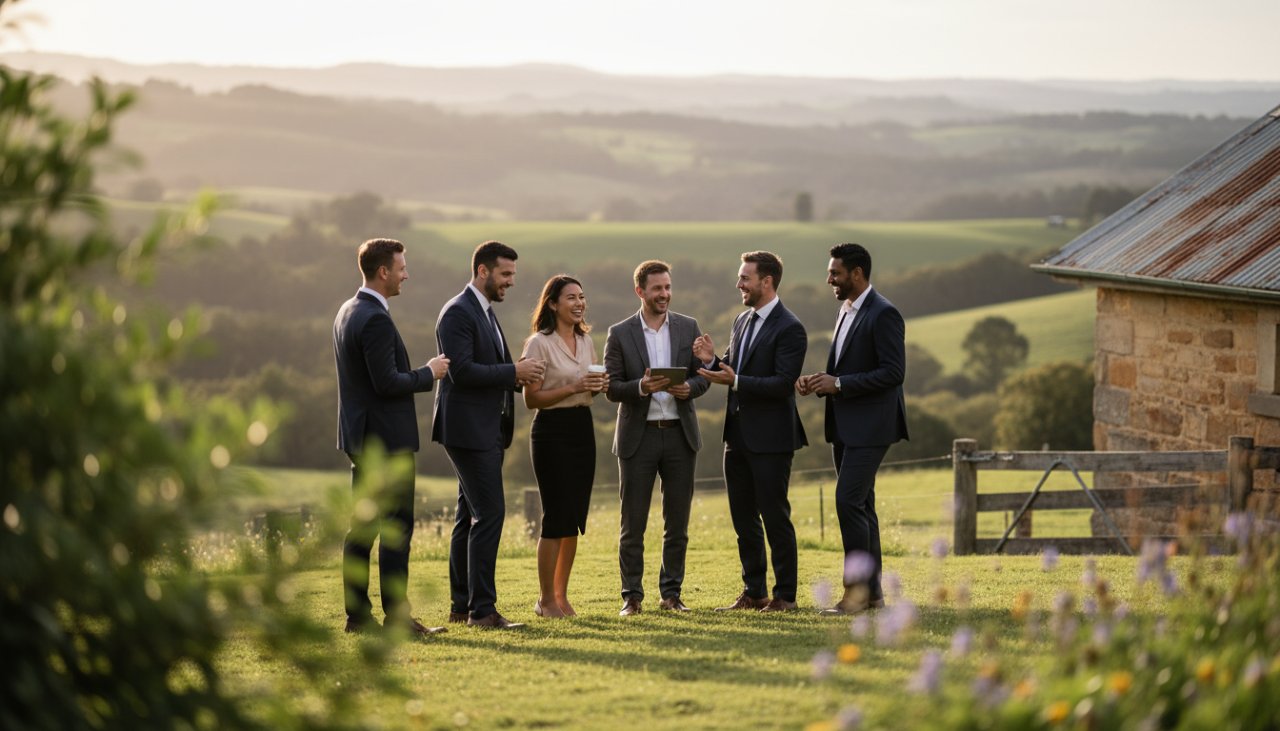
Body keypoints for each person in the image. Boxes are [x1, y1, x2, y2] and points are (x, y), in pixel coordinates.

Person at [333, 237, 450, 638]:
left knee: (362, 528)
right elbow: (387, 383)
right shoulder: (376, 318)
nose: (406, 274)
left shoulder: (347, 311)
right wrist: (428, 372)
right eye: (402, 268)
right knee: (396, 528)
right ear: (383, 272)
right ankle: (397, 618)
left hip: (359, 437)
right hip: (385, 441)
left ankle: (357, 617)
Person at [433, 240, 545, 630]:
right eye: (506, 274)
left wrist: (521, 375)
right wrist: (514, 372)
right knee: (490, 513)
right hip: (467, 429)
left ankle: (461, 606)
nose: (511, 282)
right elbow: (462, 371)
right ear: (483, 271)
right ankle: (483, 611)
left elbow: (490, 367)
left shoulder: (483, 311)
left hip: (486, 428)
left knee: (468, 516)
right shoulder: (457, 312)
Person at [797, 243, 909, 614]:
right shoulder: (845, 311)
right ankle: (874, 595)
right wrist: (821, 381)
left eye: (835, 273)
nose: (829, 279)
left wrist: (840, 384)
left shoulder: (884, 313)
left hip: (872, 427)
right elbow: (846, 366)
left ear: (857, 274)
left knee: (847, 501)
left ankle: (856, 594)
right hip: (845, 425)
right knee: (862, 505)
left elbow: (893, 373)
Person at [694, 251, 808, 613]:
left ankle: (785, 597)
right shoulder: (742, 321)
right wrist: (712, 360)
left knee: (775, 517)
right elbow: (731, 366)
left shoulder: (791, 327)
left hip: (772, 439)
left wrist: (736, 379)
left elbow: (782, 383)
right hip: (737, 436)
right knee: (743, 519)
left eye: (745, 278)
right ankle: (754, 591)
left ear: (767, 281)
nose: (739, 284)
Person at [603, 260, 709, 616]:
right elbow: (612, 388)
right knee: (633, 523)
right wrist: (641, 386)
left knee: (676, 524)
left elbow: (704, 376)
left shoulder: (688, 326)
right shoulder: (619, 333)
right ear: (640, 292)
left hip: (680, 436)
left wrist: (689, 389)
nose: (664, 294)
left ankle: (671, 594)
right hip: (638, 438)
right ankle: (631, 597)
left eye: (667, 287)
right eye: (657, 289)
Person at [520, 275, 609, 619]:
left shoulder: (587, 341)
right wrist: (575, 385)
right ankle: (544, 600)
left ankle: (561, 596)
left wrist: (598, 385)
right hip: (551, 432)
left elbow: (589, 388)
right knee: (555, 516)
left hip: (581, 429)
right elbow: (531, 398)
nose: (579, 303)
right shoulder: (538, 344)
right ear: (553, 303)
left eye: (582, 297)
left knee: (573, 518)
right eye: (571, 297)